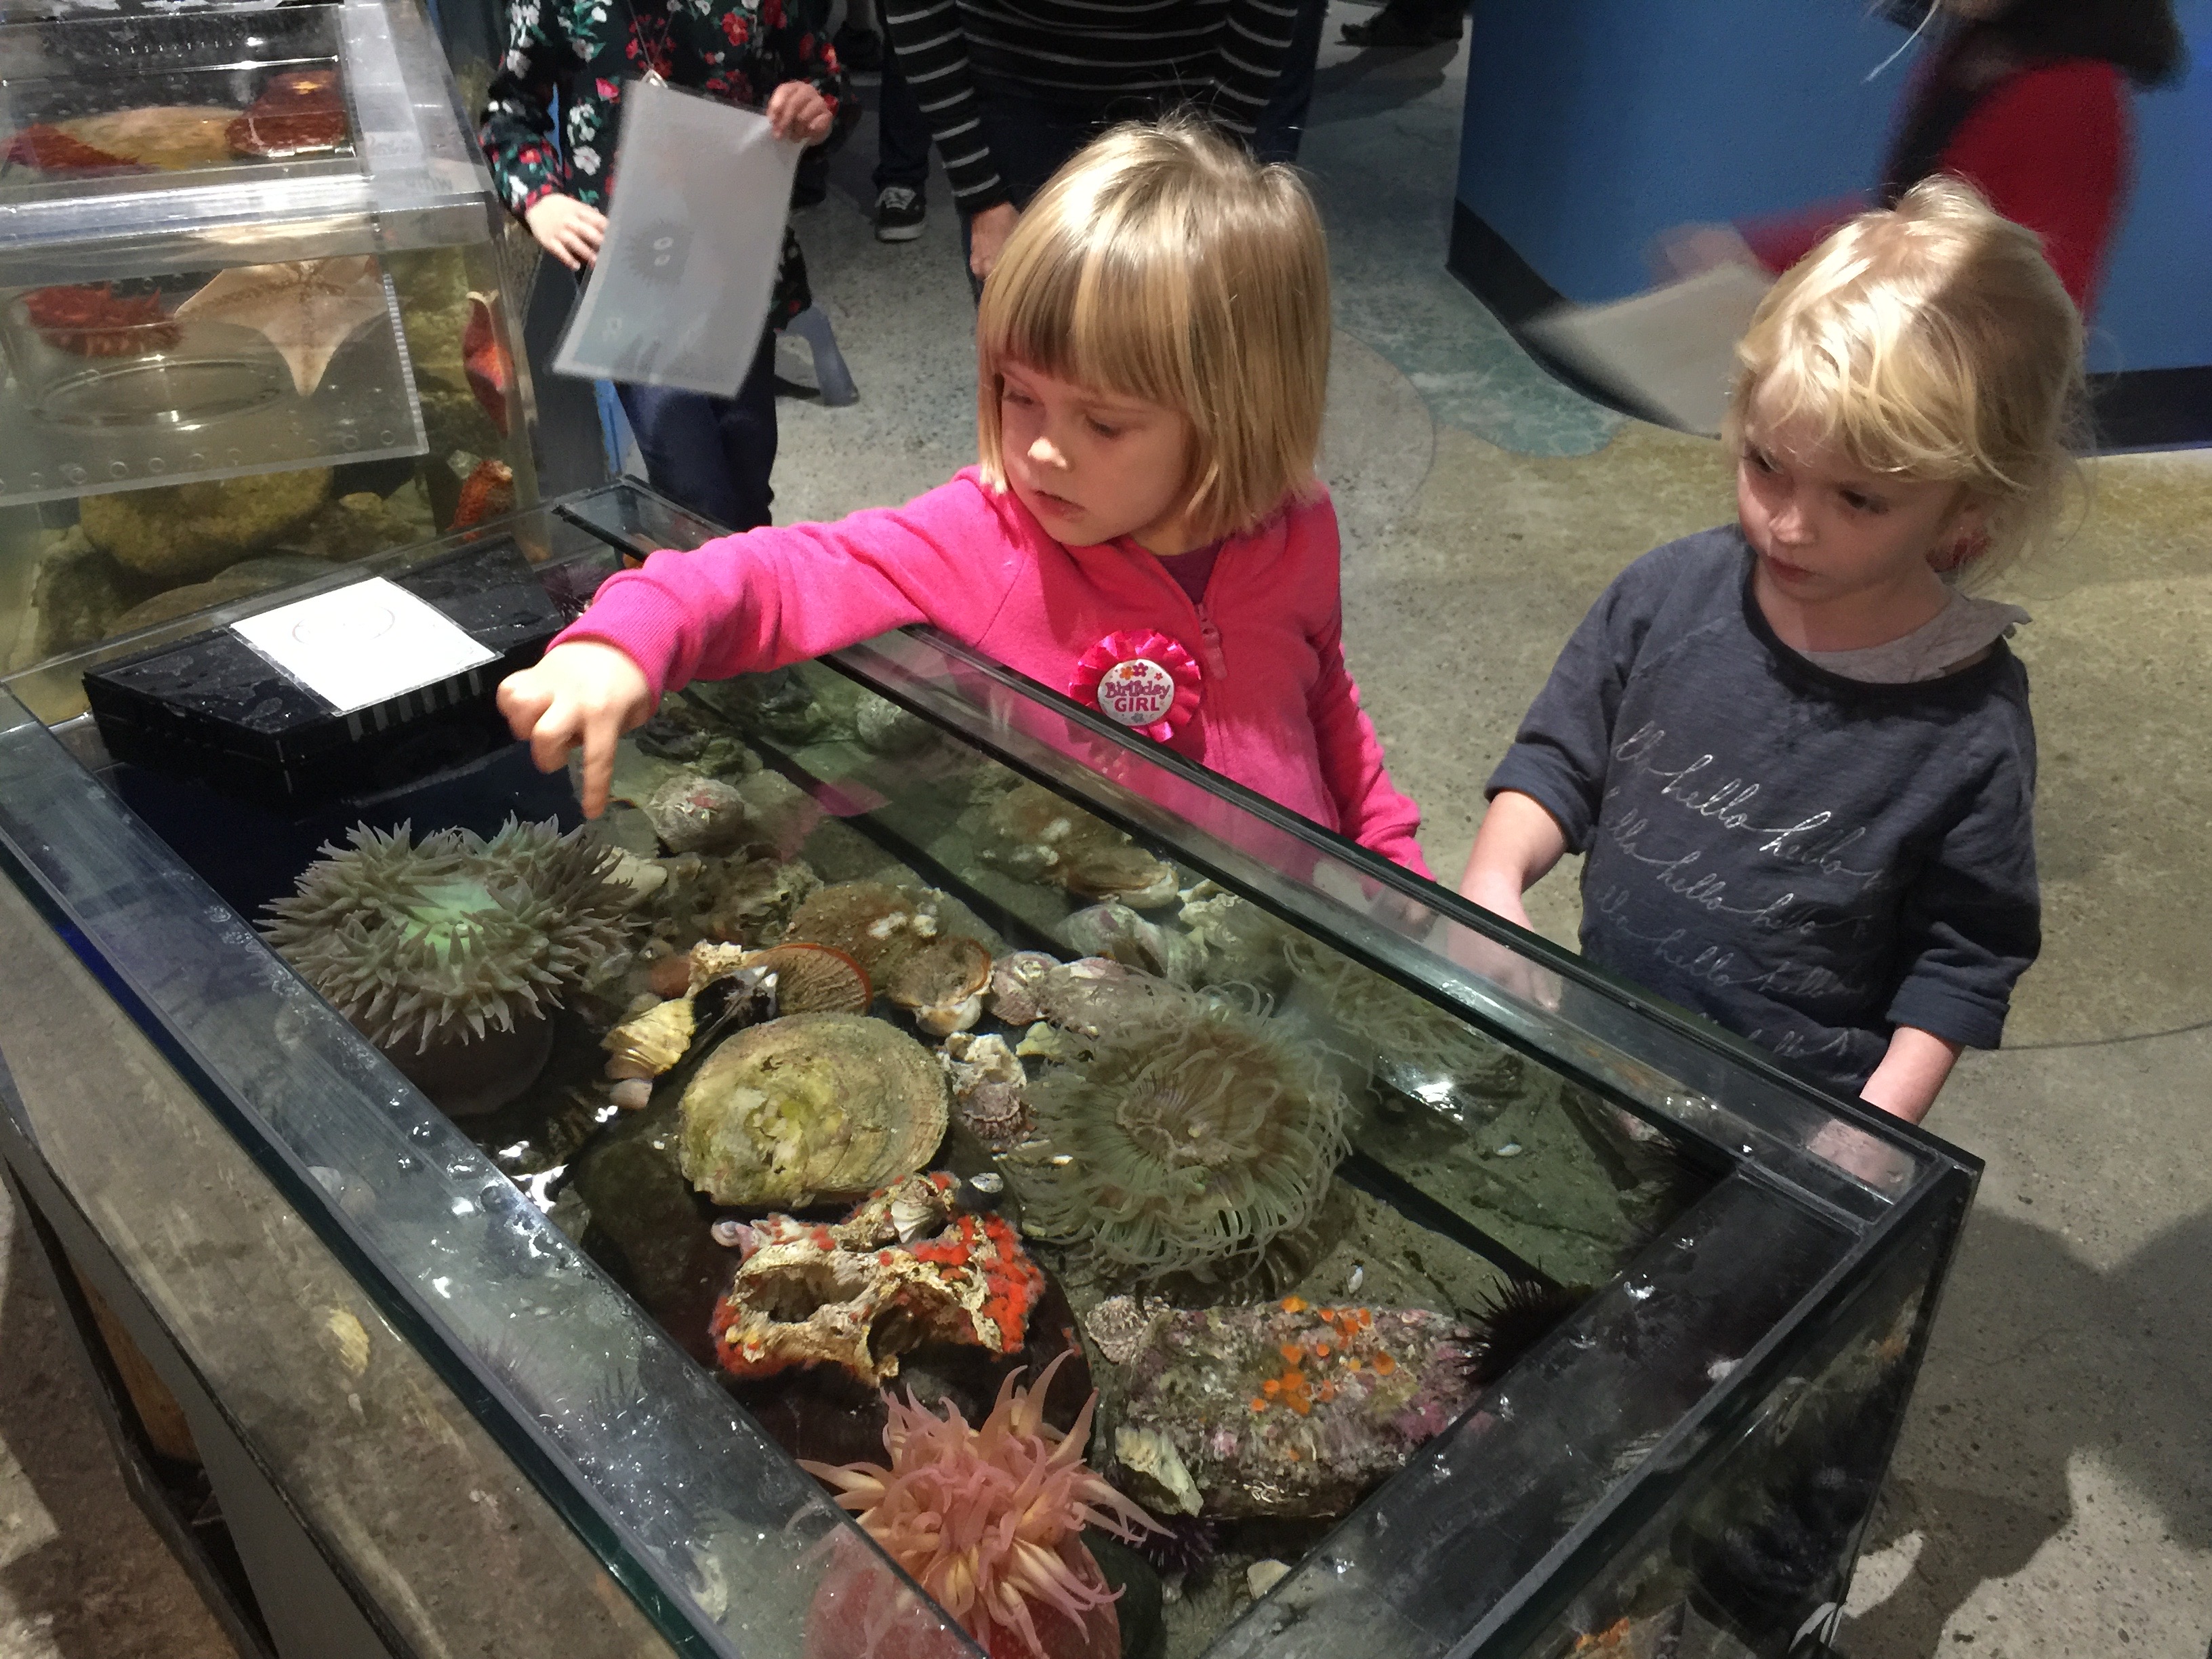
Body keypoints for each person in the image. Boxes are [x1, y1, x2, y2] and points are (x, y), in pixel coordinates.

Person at [498, 119, 1426, 872]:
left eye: (1105, 423)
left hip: (1303, 909)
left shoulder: (1296, 524)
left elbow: (1325, 695)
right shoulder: (990, 533)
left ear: (1240, 409)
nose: (1045, 450)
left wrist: (1392, 866)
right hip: (1100, 929)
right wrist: (626, 640)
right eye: (1017, 396)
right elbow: (782, 572)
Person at [1461, 180, 2082, 1122]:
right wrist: (1494, 881)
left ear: (1967, 509)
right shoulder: (1666, 592)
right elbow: (1559, 760)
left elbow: (1965, 953)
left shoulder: (1969, 721)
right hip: (1604, 1039)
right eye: (1767, 465)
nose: (1789, 526)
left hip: (1790, 1113)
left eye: (1858, 499)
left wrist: (1872, 1130)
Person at [479, 1, 844, 532]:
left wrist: (815, 110)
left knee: (747, 463)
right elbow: (509, 112)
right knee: (690, 483)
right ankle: (716, 599)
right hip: (631, 271)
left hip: (735, 257)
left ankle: (753, 595)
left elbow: (822, 76)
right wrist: (540, 199)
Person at [1686, 0, 2184, 313]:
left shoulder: (2078, 93)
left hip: (1954, 407)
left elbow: (2041, 304)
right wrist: (1756, 256)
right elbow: (1900, 220)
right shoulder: (1968, 54)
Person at [879, 1, 1304, 283]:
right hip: (1013, 89)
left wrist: (1216, 164)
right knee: (1030, 349)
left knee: (1166, 352)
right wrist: (982, 198)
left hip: (1183, 91)